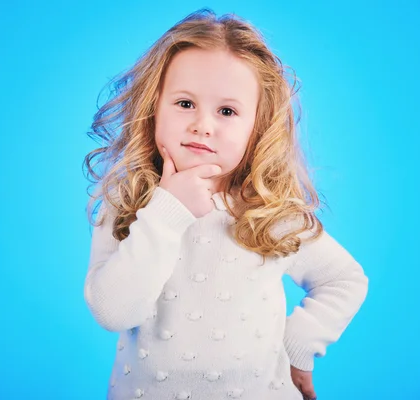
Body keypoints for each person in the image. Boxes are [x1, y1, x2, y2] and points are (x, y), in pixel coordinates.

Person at [83, 8, 369, 400]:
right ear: (153, 108)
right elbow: (114, 312)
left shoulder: (268, 213)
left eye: (227, 111)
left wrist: (297, 349)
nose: (203, 124)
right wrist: (166, 211)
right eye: (185, 103)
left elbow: (344, 280)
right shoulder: (127, 201)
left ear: (257, 128)